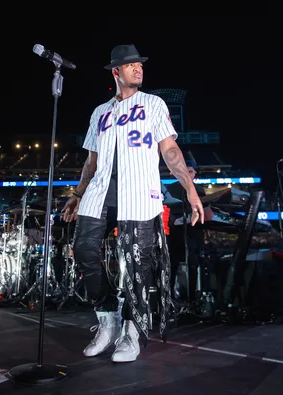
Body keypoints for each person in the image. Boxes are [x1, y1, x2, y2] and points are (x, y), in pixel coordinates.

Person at [62, 44, 204, 363]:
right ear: (117, 72)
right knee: (84, 250)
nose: (138, 68)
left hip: (138, 192)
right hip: (100, 192)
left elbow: (170, 151)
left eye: (140, 64)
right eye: (131, 65)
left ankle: (131, 329)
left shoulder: (153, 103)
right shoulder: (100, 112)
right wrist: (76, 194)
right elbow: (91, 160)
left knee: (137, 265)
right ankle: (108, 317)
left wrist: (190, 189)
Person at [164, 160, 213, 302]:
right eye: (188, 171)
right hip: (175, 234)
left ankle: (192, 299)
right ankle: (169, 298)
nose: (191, 174)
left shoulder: (199, 190)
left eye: (192, 171)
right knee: (172, 265)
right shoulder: (170, 189)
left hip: (194, 233)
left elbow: (207, 213)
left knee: (193, 264)